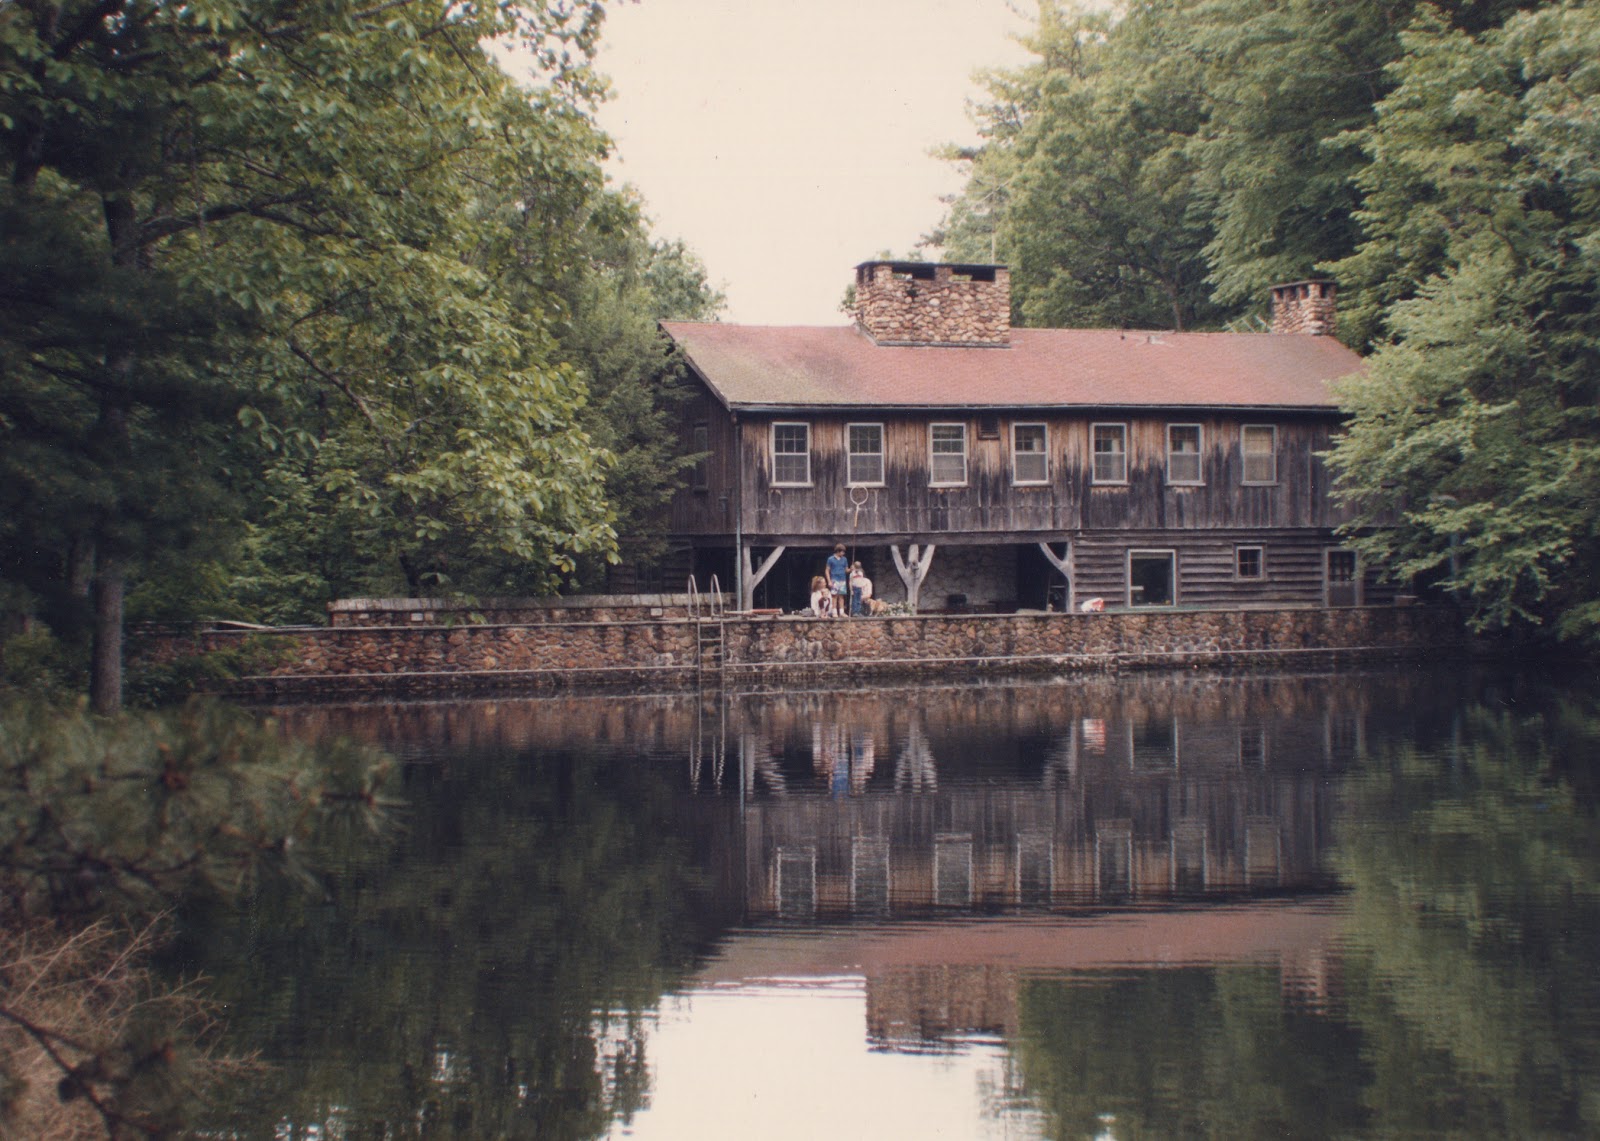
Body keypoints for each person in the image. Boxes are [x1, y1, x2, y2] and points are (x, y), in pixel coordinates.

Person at [825, 543, 850, 618]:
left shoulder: (844, 559)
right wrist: (829, 581)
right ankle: (834, 612)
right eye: (842, 552)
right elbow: (827, 570)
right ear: (838, 551)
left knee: (841, 596)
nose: (843, 553)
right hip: (834, 580)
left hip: (842, 580)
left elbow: (846, 570)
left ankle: (842, 612)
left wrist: (851, 569)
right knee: (834, 596)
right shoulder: (830, 559)